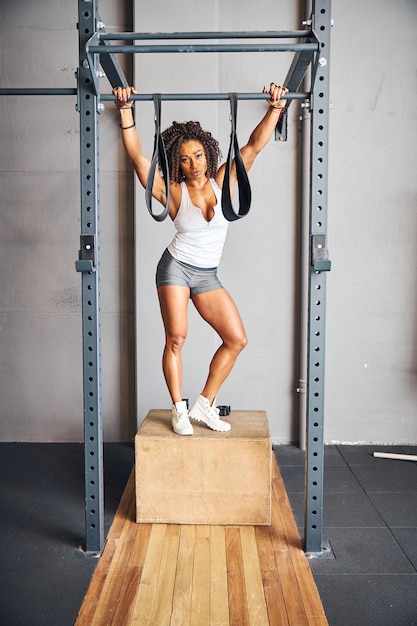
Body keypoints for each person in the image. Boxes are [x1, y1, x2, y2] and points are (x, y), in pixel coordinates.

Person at [113, 82, 288, 436]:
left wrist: (276, 108)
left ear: (208, 154)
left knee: (236, 339)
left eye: (198, 156)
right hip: (175, 268)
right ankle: (178, 409)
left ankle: (203, 405)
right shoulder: (172, 191)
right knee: (176, 338)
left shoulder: (224, 180)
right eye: (184, 158)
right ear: (175, 160)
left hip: (207, 275)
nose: (193, 165)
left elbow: (253, 146)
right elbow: (136, 157)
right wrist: (125, 109)